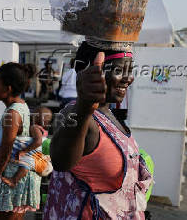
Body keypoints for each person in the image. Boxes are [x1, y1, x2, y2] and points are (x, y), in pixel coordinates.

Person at [44, 41, 153, 219]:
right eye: (118, 70)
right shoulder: (75, 114)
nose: (128, 78)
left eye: (130, 70)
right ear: (88, 72)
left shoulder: (109, 114)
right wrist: (84, 106)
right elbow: (61, 161)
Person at [0, 62, 41, 220]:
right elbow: (9, 143)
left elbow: (4, 155)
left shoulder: (12, 114)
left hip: (14, 182)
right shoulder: (20, 106)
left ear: (8, 88)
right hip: (17, 178)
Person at [1, 107, 53, 188]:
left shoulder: (34, 128)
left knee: (25, 165)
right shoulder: (45, 130)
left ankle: (14, 180)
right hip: (40, 154)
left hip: (34, 152)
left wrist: (24, 151)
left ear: (35, 118)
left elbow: (38, 142)